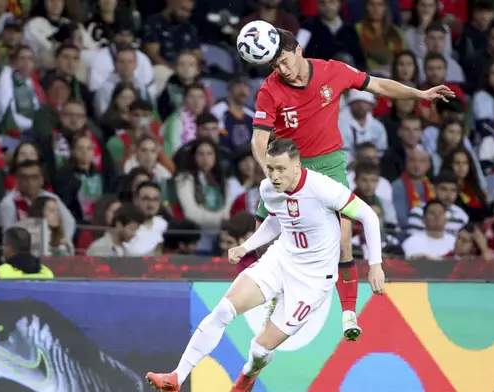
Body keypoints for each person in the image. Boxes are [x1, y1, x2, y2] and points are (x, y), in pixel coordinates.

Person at [250, 27, 454, 341]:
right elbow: (258, 139)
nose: (283, 70)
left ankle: (348, 313)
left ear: (298, 50)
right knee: (263, 233)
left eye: (286, 61)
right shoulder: (269, 90)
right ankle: (270, 298)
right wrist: (270, 172)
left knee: (344, 238)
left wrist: (419, 93)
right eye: (276, 66)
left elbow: (379, 85)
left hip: (329, 165)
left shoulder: (334, 71)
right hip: (289, 166)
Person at [146, 139, 386, 391]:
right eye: (270, 168)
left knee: (259, 349)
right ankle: (176, 377)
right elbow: (275, 220)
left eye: (281, 169)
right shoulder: (268, 189)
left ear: (297, 166)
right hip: (280, 259)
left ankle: (247, 376)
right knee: (223, 310)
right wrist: (246, 247)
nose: (274, 175)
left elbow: (368, 215)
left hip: (312, 280)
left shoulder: (323, 188)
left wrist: (376, 264)